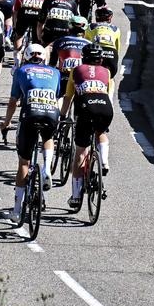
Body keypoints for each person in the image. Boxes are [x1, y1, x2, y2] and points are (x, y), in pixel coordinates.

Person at [0, 44, 62, 224]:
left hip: (30, 114)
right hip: (51, 113)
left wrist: (7, 122)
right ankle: (47, 168)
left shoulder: (21, 71)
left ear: (27, 57)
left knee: (24, 163)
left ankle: (17, 211)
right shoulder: (54, 72)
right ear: (44, 58)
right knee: (48, 138)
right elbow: (56, 96)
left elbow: (13, 101)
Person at [62, 43, 115, 210]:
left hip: (85, 108)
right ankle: (104, 162)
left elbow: (68, 97)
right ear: (101, 59)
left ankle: (76, 196)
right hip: (105, 108)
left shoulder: (76, 70)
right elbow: (110, 97)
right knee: (101, 131)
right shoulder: (107, 72)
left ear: (83, 57)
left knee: (81, 150)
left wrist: (62, 116)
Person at [85, 6, 124, 96]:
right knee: (110, 78)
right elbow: (117, 48)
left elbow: (86, 44)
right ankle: (109, 99)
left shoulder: (90, 27)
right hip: (111, 53)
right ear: (110, 17)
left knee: (90, 73)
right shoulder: (115, 29)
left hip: (95, 51)